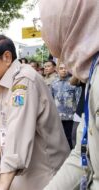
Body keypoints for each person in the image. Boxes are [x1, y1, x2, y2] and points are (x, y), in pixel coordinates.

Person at [0, 34, 69, 190]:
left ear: (6, 57)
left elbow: (18, 128)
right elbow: (6, 123)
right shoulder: (5, 83)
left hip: (45, 173)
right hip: (27, 170)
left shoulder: (23, 81)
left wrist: (3, 181)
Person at [39, 0, 99, 189]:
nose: (42, 32)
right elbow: (83, 155)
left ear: (69, 21)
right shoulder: (91, 73)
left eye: (43, 22)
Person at [51, 63, 81, 149]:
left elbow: (78, 99)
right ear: (57, 70)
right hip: (58, 116)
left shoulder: (74, 82)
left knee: (70, 138)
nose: (64, 70)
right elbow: (51, 99)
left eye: (66, 68)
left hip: (71, 117)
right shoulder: (53, 83)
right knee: (59, 138)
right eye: (61, 68)